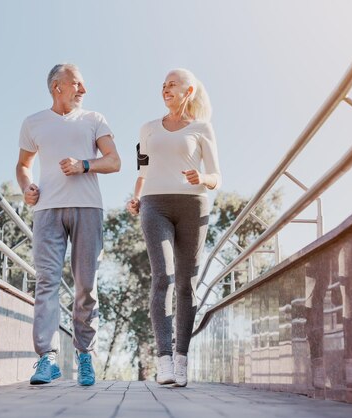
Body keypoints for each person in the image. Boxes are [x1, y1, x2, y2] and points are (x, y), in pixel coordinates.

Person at [16, 63, 121, 386]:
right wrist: (26, 187)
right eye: (77, 84)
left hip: (88, 208)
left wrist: (84, 165)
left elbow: (114, 161)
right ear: (57, 86)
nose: (83, 90)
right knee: (46, 281)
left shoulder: (94, 120)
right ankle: (45, 358)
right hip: (46, 211)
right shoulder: (33, 123)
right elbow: (23, 165)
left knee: (85, 286)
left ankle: (85, 354)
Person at [126, 68, 221, 387]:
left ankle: (182, 358)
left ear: (188, 91)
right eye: (163, 85)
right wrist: (136, 197)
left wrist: (202, 178)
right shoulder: (148, 128)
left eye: (172, 85)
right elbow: (142, 169)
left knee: (186, 283)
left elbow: (216, 176)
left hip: (193, 205)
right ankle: (164, 359)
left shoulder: (202, 128)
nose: (165, 89)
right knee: (162, 277)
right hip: (154, 204)